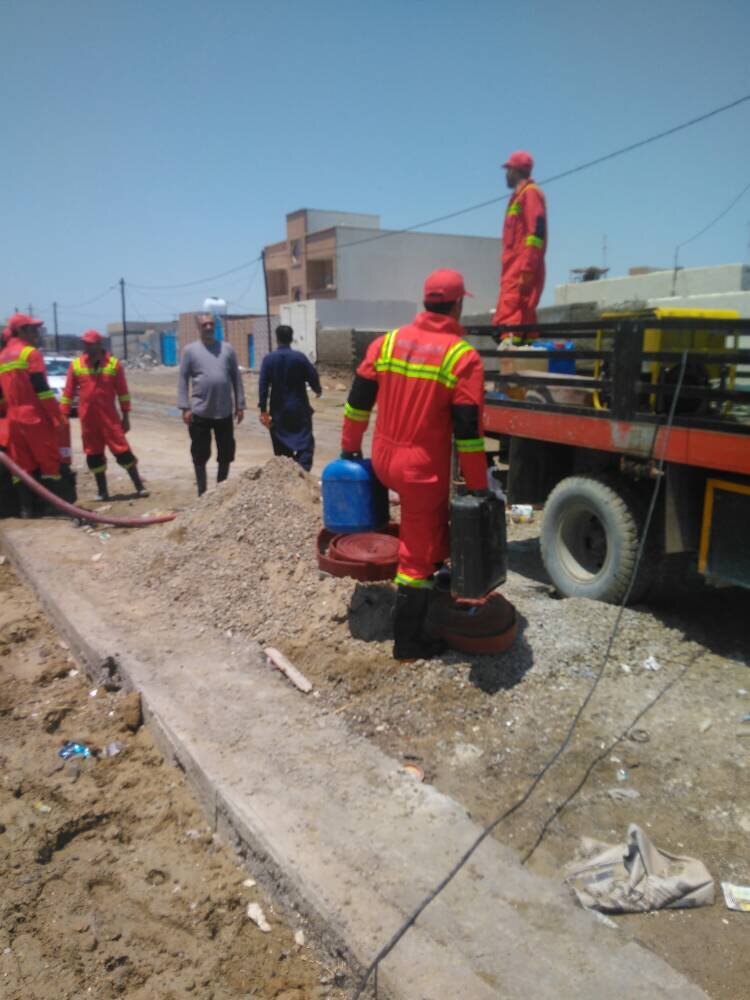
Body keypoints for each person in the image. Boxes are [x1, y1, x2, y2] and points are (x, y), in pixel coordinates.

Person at [340, 269, 488, 661]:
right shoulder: (462, 357)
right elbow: (469, 434)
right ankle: (409, 642)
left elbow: (357, 403)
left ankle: (430, 587)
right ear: (458, 304)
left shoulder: (386, 343)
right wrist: (477, 486)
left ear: (425, 302)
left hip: (383, 459)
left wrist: (350, 449)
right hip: (422, 471)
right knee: (416, 557)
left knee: (426, 537)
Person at [61, 330, 146, 500]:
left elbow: (123, 393)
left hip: (110, 419)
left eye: (90, 343)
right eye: (85, 343)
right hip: (88, 421)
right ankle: (102, 492)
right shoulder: (76, 365)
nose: (86, 346)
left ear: (99, 344)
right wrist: (63, 414)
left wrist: (126, 416)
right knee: (93, 455)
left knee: (123, 452)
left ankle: (139, 486)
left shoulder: (113, 365)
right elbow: (68, 392)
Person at [0, 313, 65, 517]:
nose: (36, 332)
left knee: (21, 465)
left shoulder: (2, 356)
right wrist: (56, 416)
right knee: (49, 462)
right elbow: (41, 388)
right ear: (21, 330)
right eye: (32, 329)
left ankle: (26, 509)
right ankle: (51, 506)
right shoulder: (30, 353)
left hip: (13, 418)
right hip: (34, 416)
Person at [178, 313, 245, 496]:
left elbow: (236, 378)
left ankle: (220, 491)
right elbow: (183, 379)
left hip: (224, 412)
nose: (208, 327)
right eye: (204, 325)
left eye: (211, 324)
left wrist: (240, 405)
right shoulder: (190, 351)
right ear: (198, 328)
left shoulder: (227, 349)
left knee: (226, 453)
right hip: (200, 412)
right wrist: (185, 407)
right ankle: (202, 493)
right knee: (199, 454)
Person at [491, 150, 547, 337]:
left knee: (514, 321)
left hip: (521, 271)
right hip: (513, 271)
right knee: (511, 319)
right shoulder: (518, 197)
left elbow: (536, 234)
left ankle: (515, 356)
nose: (506, 174)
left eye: (508, 169)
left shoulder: (530, 194)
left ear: (515, 170)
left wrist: (527, 269)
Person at [258, 325, 322, 472]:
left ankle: (286, 476)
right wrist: (317, 389)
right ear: (291, 338)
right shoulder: (299, 358)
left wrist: (263, 410)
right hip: (299, 409)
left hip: (278, 411)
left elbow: (263, 386)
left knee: (280, 444)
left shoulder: (269, 360)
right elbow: (312, 375)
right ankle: (302, 473)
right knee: (305, 443)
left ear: (277, 338)